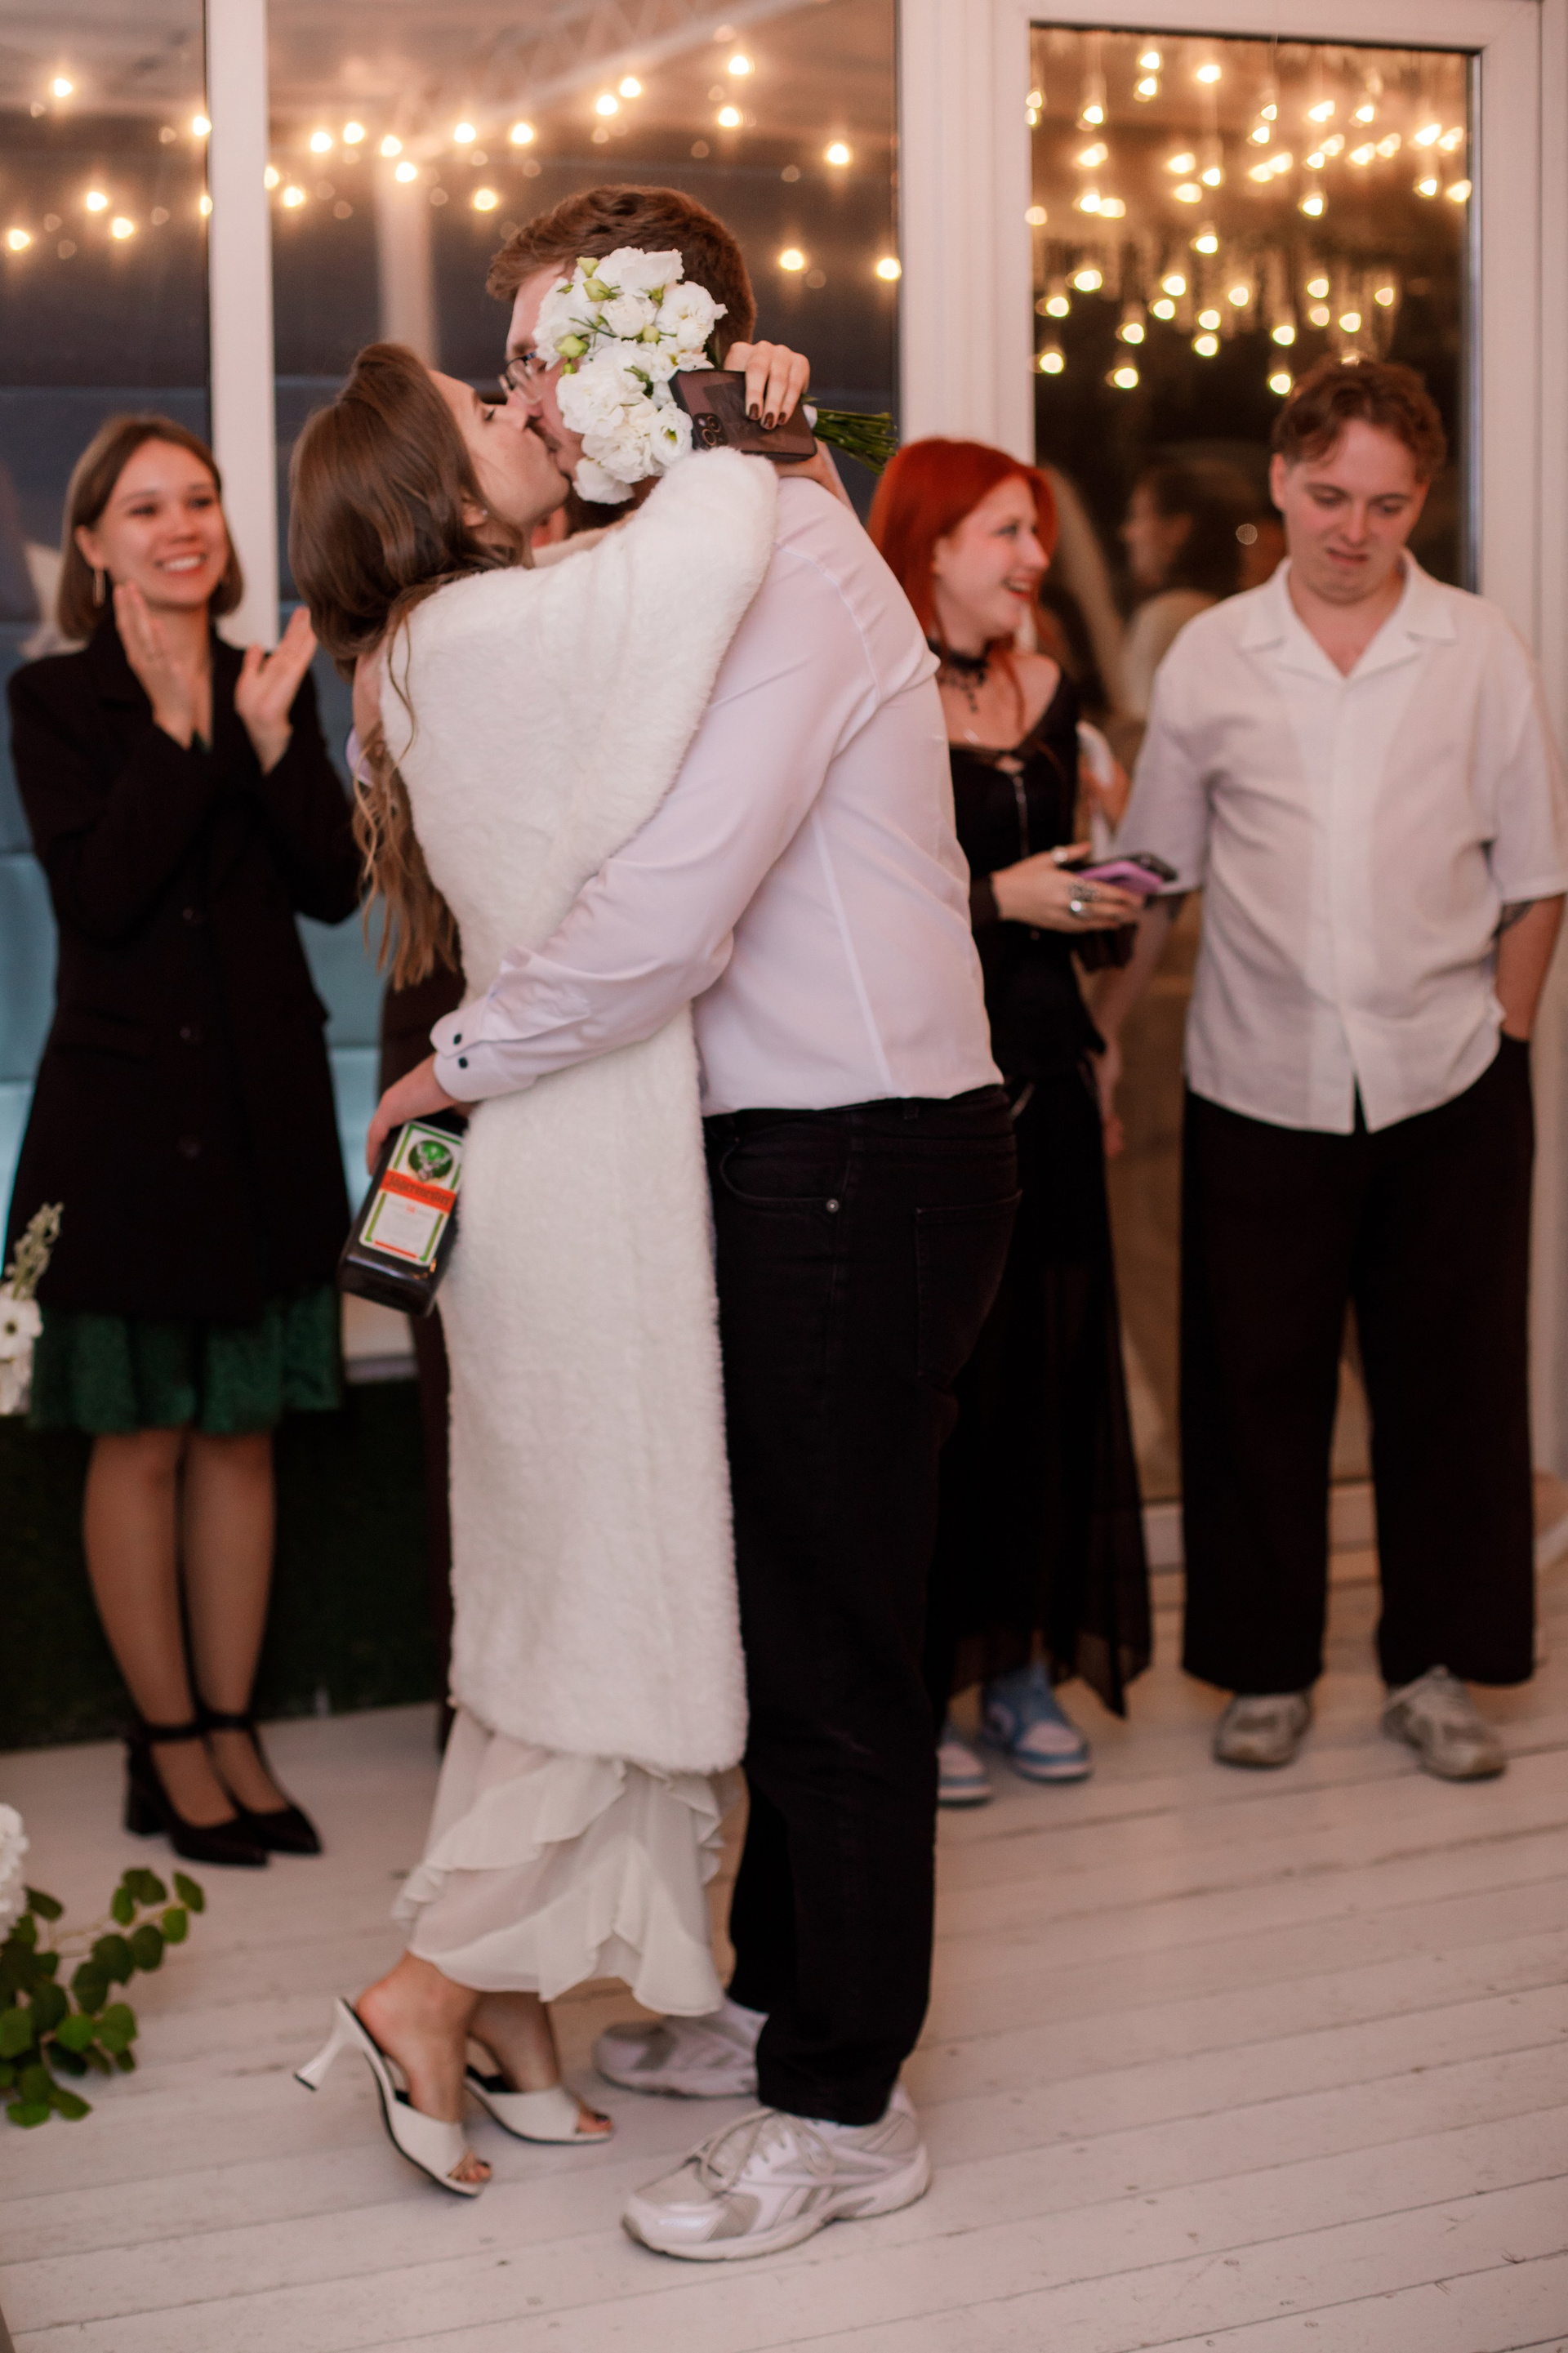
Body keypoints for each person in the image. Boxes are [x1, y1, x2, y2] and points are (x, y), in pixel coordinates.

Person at [368, 183, 1014, 2257]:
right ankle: (773, 2001)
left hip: (863, 1150)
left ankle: (846, 2106)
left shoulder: (796, 558)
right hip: (783, 1157)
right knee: (790, 1615)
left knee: (834, 1650)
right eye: (518, 367)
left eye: (556, 355)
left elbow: (670, 904)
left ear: (674, 354)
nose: (534, 402)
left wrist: (461, 1057)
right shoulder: (701, 548)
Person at [288, 319, 816, 2194]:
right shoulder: (483, 635)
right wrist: (734, 416)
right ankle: (427, 1988)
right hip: (580, 1166)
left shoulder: (442, 646)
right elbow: (706, 557)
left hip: (553, 1152)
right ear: (428, 487)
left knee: (548, 1614)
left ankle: (508, 2006)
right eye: (480, 405)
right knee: (618, 1603)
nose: (519, 408)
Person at [1097, 357, 1566, 1781]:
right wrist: (1101, 1032)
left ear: (1422, 502)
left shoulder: (1479, 648)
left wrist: (1508, 1042)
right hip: (1257, 1078)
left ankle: (1435, 1667)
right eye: (1327, 496)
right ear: (1282, 481)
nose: (1353, 530)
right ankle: (1264, 1669)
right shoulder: (1211, 656)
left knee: (1451, 1390)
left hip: (1451, 1079)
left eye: (1386, 504)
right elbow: (1158, 871)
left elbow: (1537, 879)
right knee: (1254, 1385)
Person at [4, 417, 359, 1867]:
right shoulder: (53, 698)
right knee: (141, 1438)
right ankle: (163, 1744)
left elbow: (335, 886)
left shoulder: (269, 678)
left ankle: (229, 1726)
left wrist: (271, 745)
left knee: (241, 1434)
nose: (181, 526)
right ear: (93, 545)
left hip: (264, 1118)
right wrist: (175, 735)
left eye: (199, 499)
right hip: (124, 1135)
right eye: (144, 507)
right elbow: (100, 897)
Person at [868, 439, 1152, 1807]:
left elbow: (1080, 913)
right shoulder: (873, 694)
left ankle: (1023, 1664)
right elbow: (857, 906)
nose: (1036, 558)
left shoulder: (1050, 688)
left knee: (1047, 1376)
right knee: (940, 1397)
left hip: (1048, 1062)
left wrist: (1104, 892)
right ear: (930, 545)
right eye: (1007, 532)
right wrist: (1001, 900)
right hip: (930, 1081)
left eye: (1035, 532)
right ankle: (921, 1677)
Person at [1118, 457, 1256, 724]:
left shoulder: (1167, 618)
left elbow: (1144, 730)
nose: (1128, 533)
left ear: (1177, 529)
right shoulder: (1234, 612)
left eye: (1138, 516)